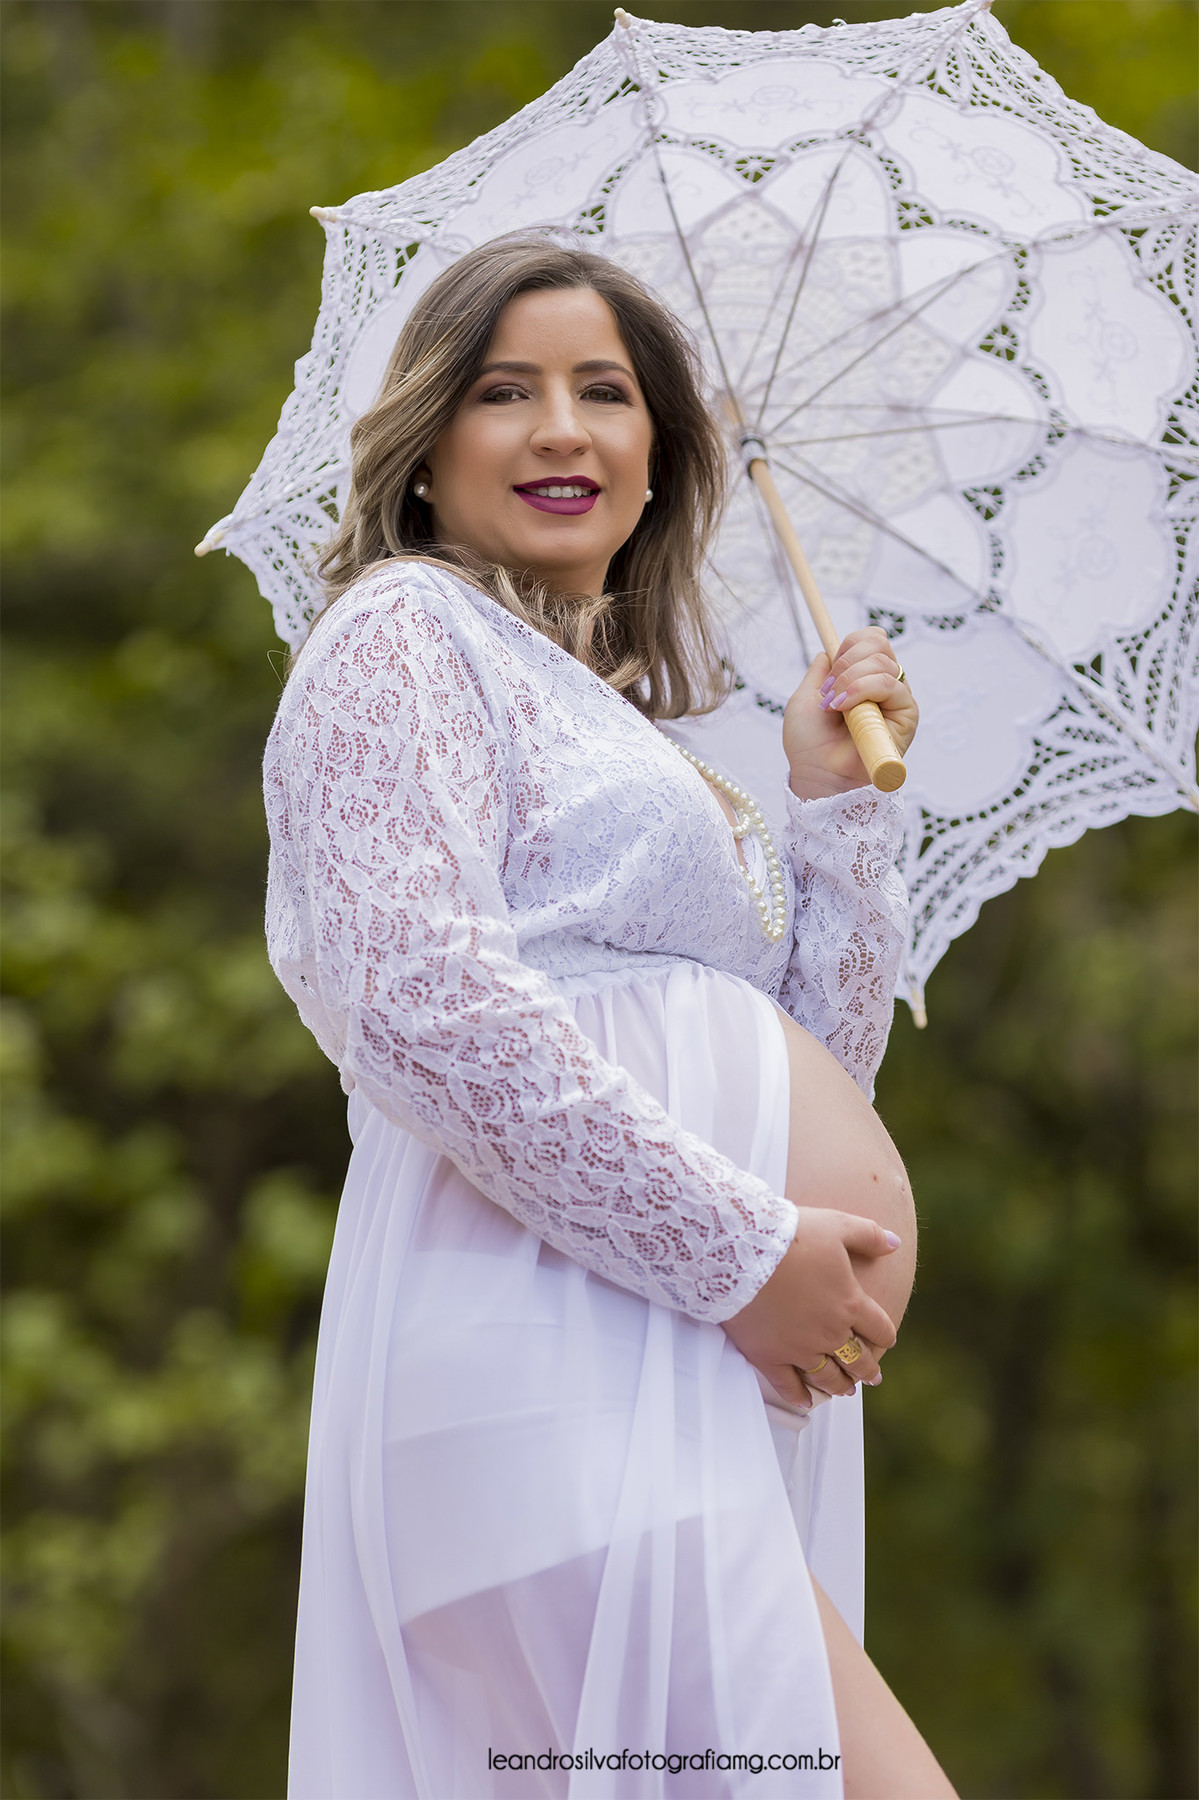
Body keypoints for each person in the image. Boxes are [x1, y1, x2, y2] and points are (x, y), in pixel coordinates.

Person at [264, 235, 955, 1799]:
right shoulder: (405, 632)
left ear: (658, 459)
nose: (563, 428)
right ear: (426, 447)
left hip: (670, 1363)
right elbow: (425, 1007)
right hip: (551, 1360)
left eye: (606, 391)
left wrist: (835, 814)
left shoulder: (626, 730)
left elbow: (821, 1072)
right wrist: (742, 1254)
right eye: (506, 391)